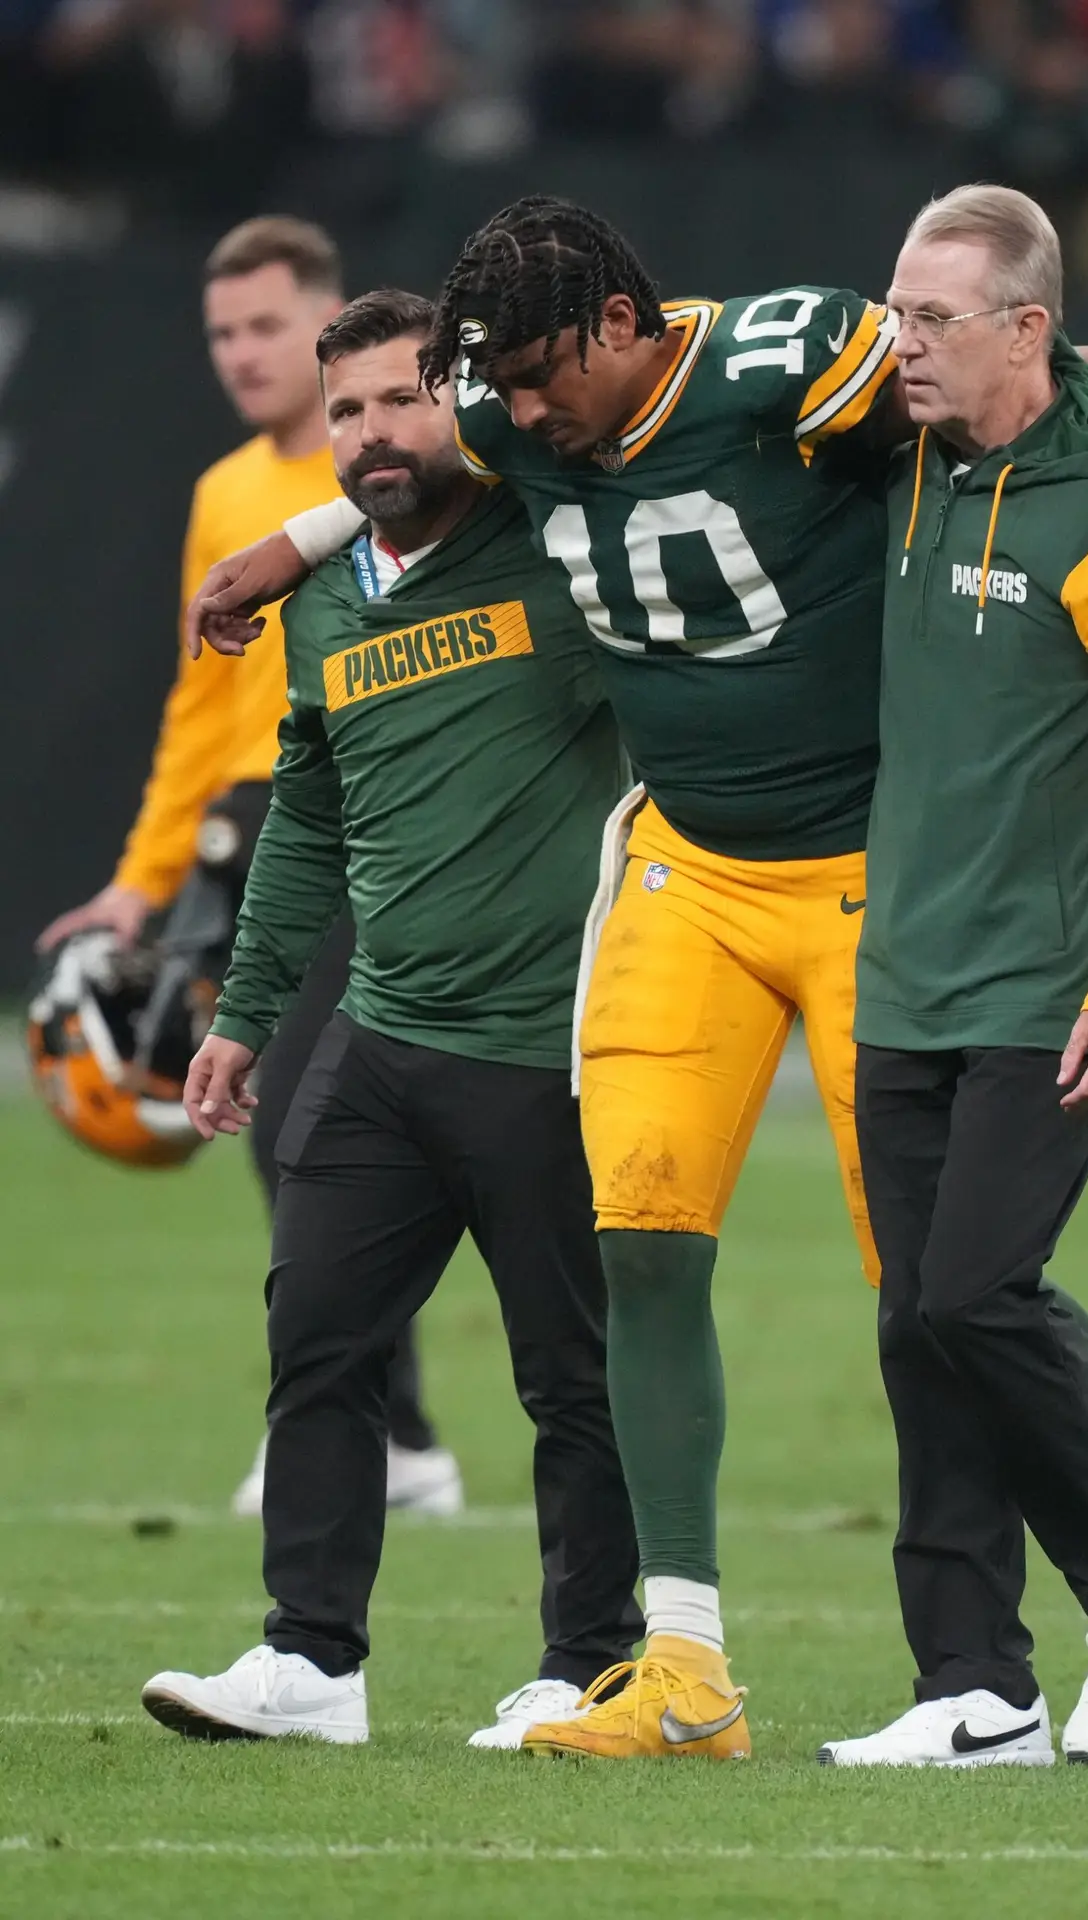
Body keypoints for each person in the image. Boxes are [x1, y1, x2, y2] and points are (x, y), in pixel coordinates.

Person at [185, 198, 1088, 1763]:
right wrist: (299, 535)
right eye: (506, 385)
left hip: (879, 873)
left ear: (619, 331)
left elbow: (1047, 363)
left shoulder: (790, 357)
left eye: (547, 375)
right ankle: (682, 1671)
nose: (523, 412)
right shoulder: (508, 390)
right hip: (687, 866)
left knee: (944, 1291)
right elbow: (423, 465)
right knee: (646, 1240)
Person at [140, 290, 641, 1749]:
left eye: (402, 401)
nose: (371, 434)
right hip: (382, 1030)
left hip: (548, 1038)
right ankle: (311, 1660)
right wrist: (245, 1013)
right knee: (321, 1337)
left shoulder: (559, 537)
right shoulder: (335, 594)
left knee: (572, 1375)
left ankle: (592, 1661)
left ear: (466, 402)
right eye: (347, 409)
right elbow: (306, 808)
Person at [820, 186, 1088, 1772]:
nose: (900, 344)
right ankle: (972, 1686)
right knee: (917, 1330)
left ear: (1025, 331)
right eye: (897, 311)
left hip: (1047, 988)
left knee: (979, 1295)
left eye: (935, 320)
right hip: (903, 970)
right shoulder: (903, 442)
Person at [37, 217, 460, 1520]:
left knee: (303, 1128)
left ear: (329, 324)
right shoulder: (227, 492)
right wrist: (141, 875)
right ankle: (397, 1437)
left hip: (371, 823)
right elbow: (198, 701)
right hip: (252, 827)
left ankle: (365, 1431)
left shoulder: (419, 468)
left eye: (268, 325)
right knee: (287, 1133)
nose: (240, 353)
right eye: (221, 331)